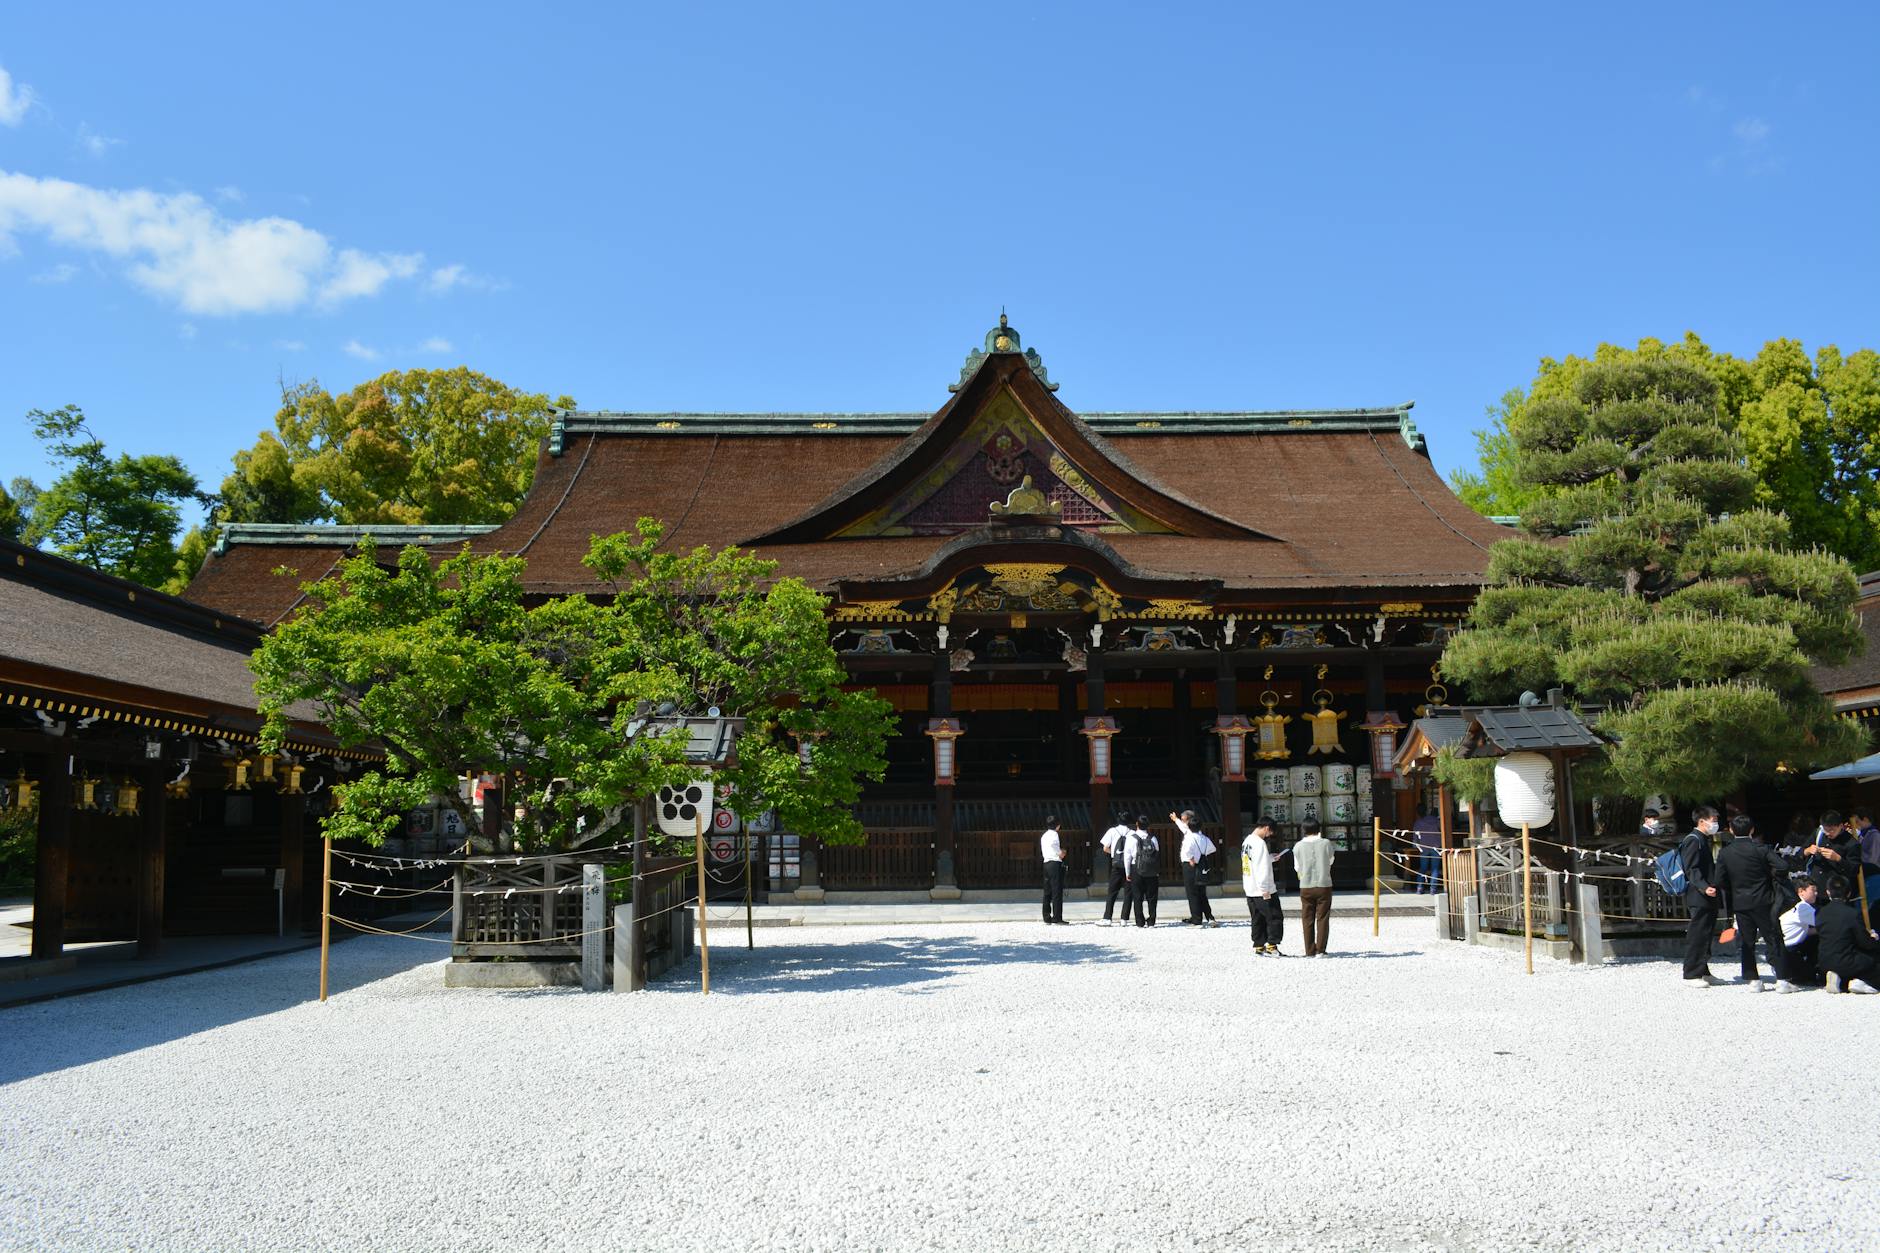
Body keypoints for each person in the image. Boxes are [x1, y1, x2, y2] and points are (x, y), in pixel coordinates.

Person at [1712, 813, 1789, 992]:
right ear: (1752, 830)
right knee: (1773, 938)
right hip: (1764, 899)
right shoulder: (1761, 849)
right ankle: (1783, 979)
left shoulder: (1725, 852)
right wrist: (1771, 876)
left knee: (1747, 941)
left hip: (1740, 901)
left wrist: (1733, 889)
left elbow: (1719, 879)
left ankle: (1753, 979)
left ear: (1731, 830)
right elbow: (1783, 866)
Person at [1679, 806, 1724, 987]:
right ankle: (1691, 974)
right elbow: (1691, 868)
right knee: (1698, 934)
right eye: (1713, 820)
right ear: (1702, 821)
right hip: (1699, 894)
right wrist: (1704, 887)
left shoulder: (1703, 839)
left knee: (1706, 933)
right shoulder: (1693, 840)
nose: (1715, 823)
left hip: (1707, 893)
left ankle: (1703, 970)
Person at [1817, 893, 1880, 994]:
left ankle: (1839, 980)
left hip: (1824, 961)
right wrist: (1874, 939)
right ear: (1849, 893)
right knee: (1873, 963)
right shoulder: (1852, 913)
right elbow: (1865, 943)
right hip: (1847, 960)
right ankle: (1862, 981)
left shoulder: (1821, 912)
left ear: (1828, 892)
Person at [1241, 818, 1287, 954]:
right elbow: (1262, 868)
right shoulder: (1260, 843)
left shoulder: (1247, 841)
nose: (1270, 835)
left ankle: (1259, 945)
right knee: (1274, 916)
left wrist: (1270, 858)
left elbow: (1253, 862)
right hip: (1262, 888)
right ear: (1267, 828)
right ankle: (1272, 945)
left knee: (1257, 917)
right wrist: (1265, 889)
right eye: (1270, 832)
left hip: (1250, 887)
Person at [1294, 819, 1335, 957]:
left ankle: (1309, 950)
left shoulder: (1298, 846)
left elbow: (1297, 867)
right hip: (1324, 884)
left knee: (1307, 918)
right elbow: (1331, 860)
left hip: (1305, 886)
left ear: (1303, 830)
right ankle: (1321, 950)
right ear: (1319, 829)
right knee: (1322, 918)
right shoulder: (1326, 843)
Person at [1171, 810, 1218, 926]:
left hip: (1190, 865)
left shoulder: (1189, 837)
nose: (1183, 823)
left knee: (1192, 893)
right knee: (1201, 892)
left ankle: (1197, 919)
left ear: (1190, 823)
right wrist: (1203, 854)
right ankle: (1209, 917)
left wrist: (1192, 858)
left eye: (1184, 821)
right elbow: (1213, 849)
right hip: (1202, 865)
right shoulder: (1204, 837)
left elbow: (1187, 851)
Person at [1777, 877, 1822, 990]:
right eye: (1813, 890)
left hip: (1783, 948)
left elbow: (1808, 930)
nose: (1816, 893)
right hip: (1788, 951)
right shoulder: (1804, 908)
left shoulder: (1795, 906)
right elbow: (1825, 925)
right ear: (1801, 891)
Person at [1098, 814, 1135, 926]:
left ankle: (1108, 917)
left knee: (1112, 892)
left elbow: (1105, 848)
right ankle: (1124, 919)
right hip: (1129, 865)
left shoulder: (1112, 831)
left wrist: (1114, 854)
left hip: (1116, 865)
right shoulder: (1132, 833)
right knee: (1128, 892)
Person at [1126, 815, 1160, 927]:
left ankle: (1140, 921)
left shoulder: (1131, 838)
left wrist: (1127, 872)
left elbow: (1127, 857)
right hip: (1151, 870)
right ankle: (1151, 920)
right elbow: (1156, 854)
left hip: (1137, 868)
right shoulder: (1153, 838)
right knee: (1152, 896)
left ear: (1137, 824)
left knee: (1137, 896)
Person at [1039, 815, 1067, 926]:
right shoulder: (1054, 834)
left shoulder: (1044, 835)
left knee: (1047, 891)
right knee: (1057, 891)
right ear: (1058, 825)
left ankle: (1046, 916)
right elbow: (1054, 846)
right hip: (1055, 863)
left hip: (1046, 863)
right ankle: (1057, 917)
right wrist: (1061, 853)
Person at [1410, 811, 1442, 894]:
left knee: (1423, 868)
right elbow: (1442, 832)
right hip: (1436, 846)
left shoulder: (1418, 822)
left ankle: (1420, 887)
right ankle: (1433, 889)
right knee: (1435, 869)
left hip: (1423, 847)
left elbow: (1415, 835)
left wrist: (1416, 845)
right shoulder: (1437, 821)